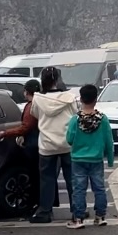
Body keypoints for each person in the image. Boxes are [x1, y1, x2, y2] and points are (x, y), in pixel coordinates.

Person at [30, 66, 77, 223]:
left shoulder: (37, 99)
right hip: (67, 142)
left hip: (47, 144)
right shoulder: (69, 97)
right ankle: (77, 210)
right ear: (57, 80)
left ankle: (45, 211)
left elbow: (35, 114)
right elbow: (75, 114)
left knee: (47, 179)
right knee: (72, 178)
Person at [65, 84, 114, 228]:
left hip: (78, 159)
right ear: (96, 99)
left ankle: (78, 218)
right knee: (99, 188)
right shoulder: (102, 119)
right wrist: (110, 159)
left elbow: (69, 139)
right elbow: (108, 141)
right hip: (96, 159)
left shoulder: (75, 119)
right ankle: (100, 216)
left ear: (81, 99)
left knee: (79, 189)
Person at [0, 79, 42, 209]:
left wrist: (5, 133)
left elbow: (25, 127)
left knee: (34, 176)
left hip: (32, 145)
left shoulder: (32, 106)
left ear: (26, 92)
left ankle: (35, 204)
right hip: (40, 144)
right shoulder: (40, 104)